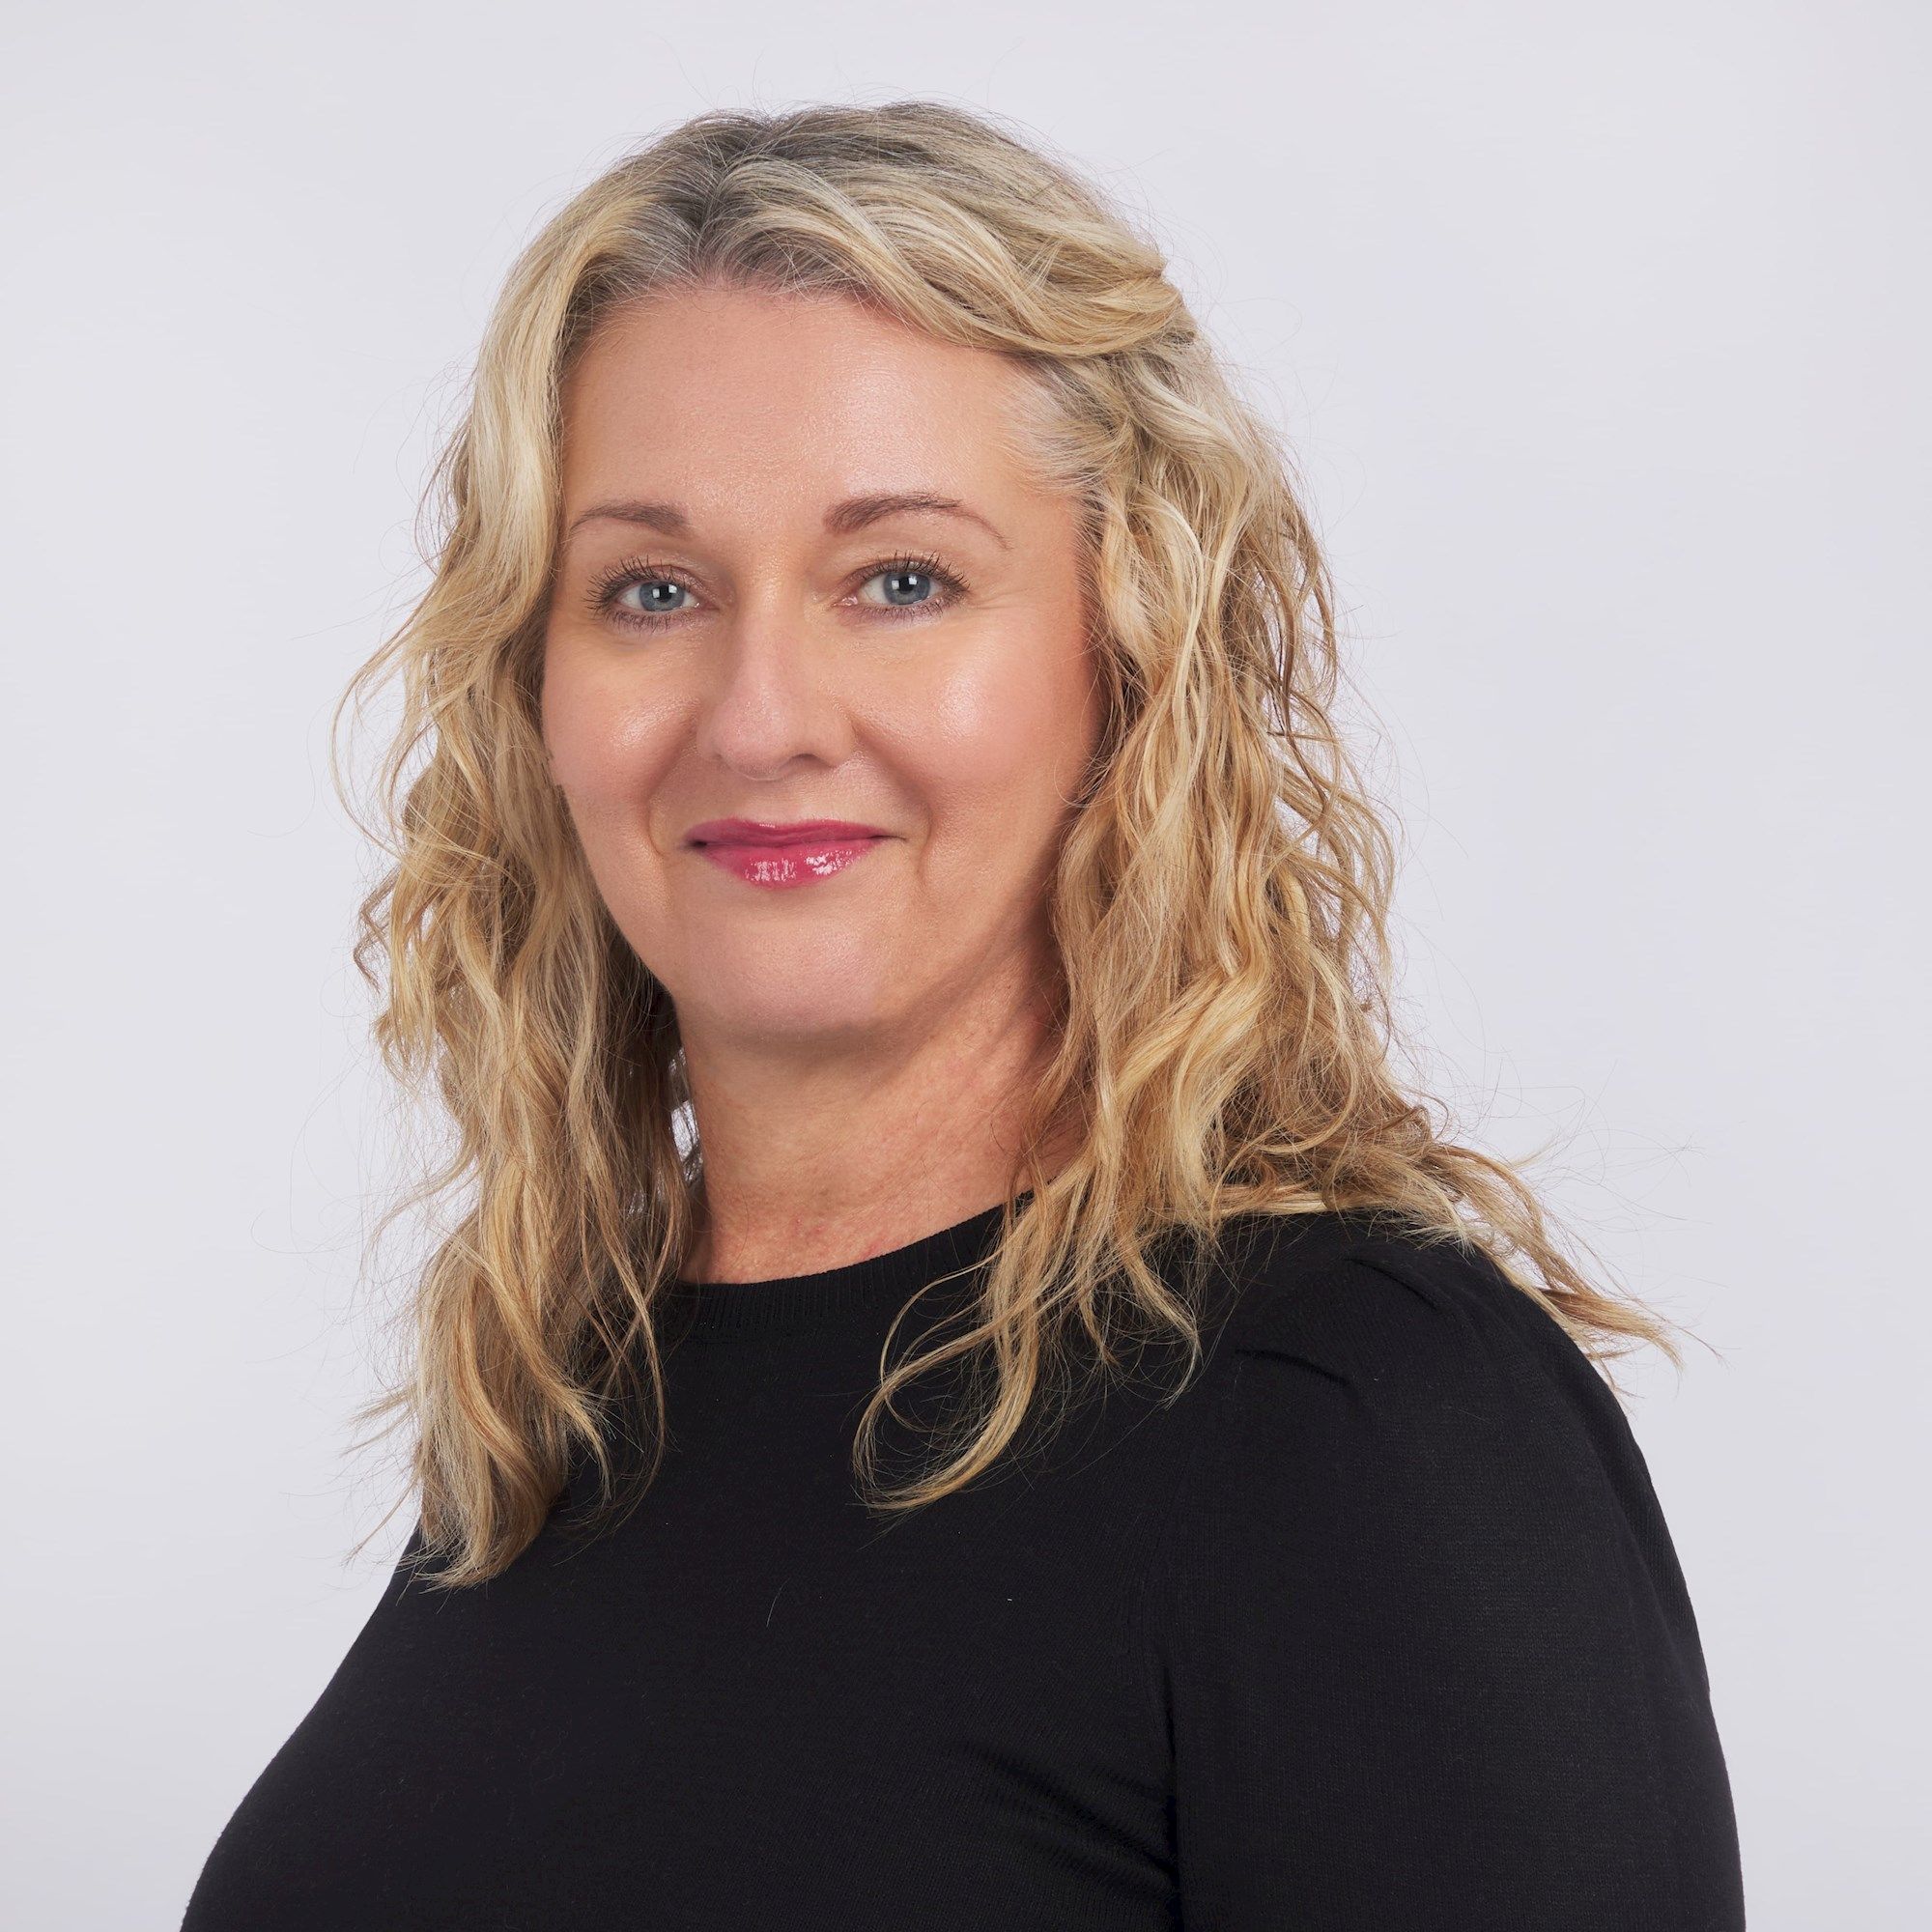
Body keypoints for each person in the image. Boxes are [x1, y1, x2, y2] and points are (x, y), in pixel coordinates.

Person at [180, 99, 1747, 1930]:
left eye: (902, 580)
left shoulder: (1349, 1414)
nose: (760, 715)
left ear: (1126, 657)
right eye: (652, 589)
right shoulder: (564, 1409)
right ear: (539, 685)